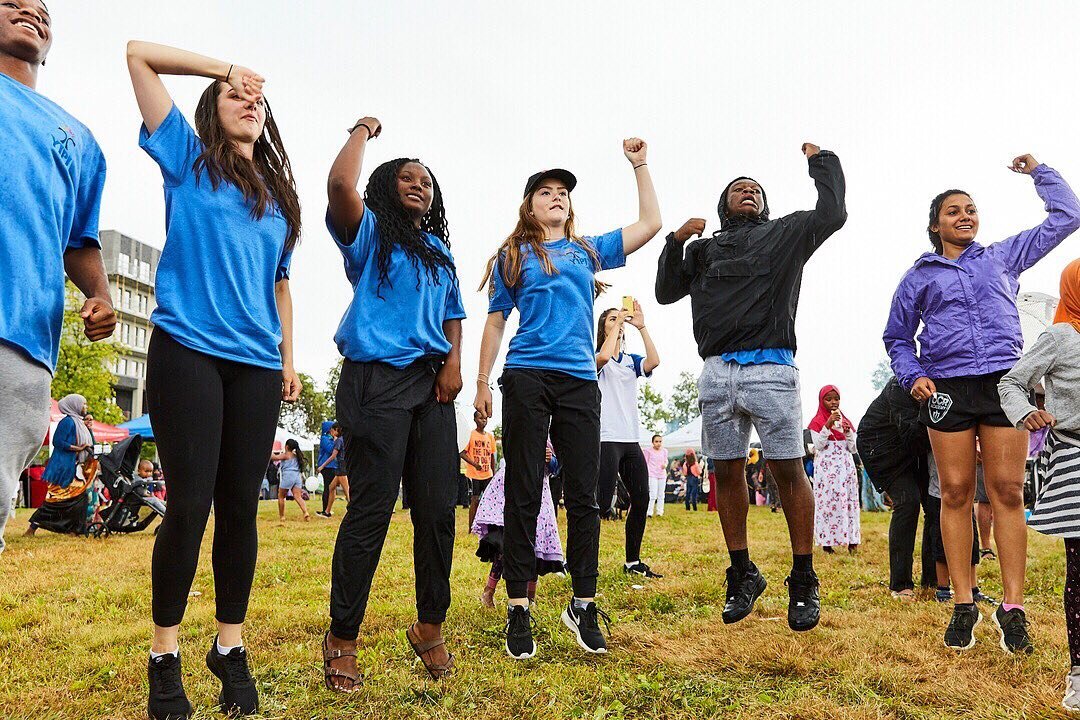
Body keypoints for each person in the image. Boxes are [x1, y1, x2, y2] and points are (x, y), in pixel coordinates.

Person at [127, 40, 302, 719]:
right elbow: (137, 56)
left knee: (240, 508)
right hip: (188, 348)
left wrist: (288, 359)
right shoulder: (186, 159)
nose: (249, 103)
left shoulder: (278, 201)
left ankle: (229, 647)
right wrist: (222, 69)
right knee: (192, 503)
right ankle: (163, 656)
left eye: (257, 100)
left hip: (256, 364)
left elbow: (280, 287)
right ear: (213, 107)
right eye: (238, 96)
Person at [474, 138, 661, 660]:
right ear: (529, 204)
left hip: (580, 379)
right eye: (546, 192)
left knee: (584, 496)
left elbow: (650, 224)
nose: (557, 198)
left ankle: (582, 603)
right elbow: (494, 323)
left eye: (563, 193)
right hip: (527, 375)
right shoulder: (515, 254)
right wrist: (484, 380)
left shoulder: (586, 250)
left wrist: (640, 165)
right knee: (525, 490)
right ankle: (518, 609)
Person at [884, 154, 1080, 653]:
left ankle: (1013, 609)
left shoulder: (1001, 257)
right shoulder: (918, 277)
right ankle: (963, 603)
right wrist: (914, 376)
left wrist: (1040, 171)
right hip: (947, 389)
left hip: (1001, 384)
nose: (966, 215)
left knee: (1007, 492)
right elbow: (898, 337)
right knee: (953, 492)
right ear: (935, 225)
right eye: (954, 211)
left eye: (971, 209)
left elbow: (1067, 217)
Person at [656, 142, 846, 632]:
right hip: (716, 370)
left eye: (756, 190)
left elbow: (833, 212)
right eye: (739, 189)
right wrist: (675, 241)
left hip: (771, 368)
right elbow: (665, 292)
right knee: (726, 472)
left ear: (765, 205)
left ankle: (803, 579)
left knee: (787, 471)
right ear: (724, 205)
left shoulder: (784, 235)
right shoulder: (703, 250)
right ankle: (741, 572)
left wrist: (820, 161)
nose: (749, 192)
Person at [322, 116, 465, 690]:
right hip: (375, 381)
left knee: (436, 512)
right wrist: (360, 130)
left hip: (431, 386)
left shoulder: (438, 249)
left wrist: (455, 363)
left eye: (427, 181)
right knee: (372, 512)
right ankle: (342, 636)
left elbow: (454, 314)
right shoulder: (371, 232)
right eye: (407, 177)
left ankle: (429, 625)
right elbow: (338, 188)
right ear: (387, 185)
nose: (419, 185)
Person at [0, 0, 116, 554]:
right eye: (11, 2)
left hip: (19, 339)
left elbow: (78, 239)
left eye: (40, 7)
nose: (29, 11)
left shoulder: (77, 138)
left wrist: (100, 291)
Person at [998, 258, 1080, 710]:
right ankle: (1078, 673)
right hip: (1074, 456)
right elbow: (1012, 382)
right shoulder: (1059, 337)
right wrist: (1025, 413)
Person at [595, 301, 662, 578]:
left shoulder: (631, 361)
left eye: (619, 318)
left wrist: (641, 326)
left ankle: (632, 562)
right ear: (604, 328)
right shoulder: (598, 357)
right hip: (606, 438)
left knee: (642, 497)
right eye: (612, 319)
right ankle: (583, 562)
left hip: (630, 439)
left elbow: (654, 361)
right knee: (598, 504)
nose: (618, 321)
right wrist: (617, 325)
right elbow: (602, 358)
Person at [857, 377, 936, 599]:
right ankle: (900, 584)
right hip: (882, 448)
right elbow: (913, 435)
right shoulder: (900, 386)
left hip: (916, 449)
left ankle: (932, 581)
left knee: (934, 503)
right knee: (908, 501)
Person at [475, 444, 564, 609]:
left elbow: (556, 468)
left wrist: (550, 459)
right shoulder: (521, 424)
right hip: (513, 488)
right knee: (505, 544)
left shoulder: (553, 435)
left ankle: (531, 597)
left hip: (539, 493)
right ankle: (489, 590)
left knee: (535, 545)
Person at [25, 395, 97, 537]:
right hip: (63, 467)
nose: (85, 408)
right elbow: (58, 442)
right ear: (74, 405)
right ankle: (33, 527)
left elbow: (90, 443)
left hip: (74, 467)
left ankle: (74, 530)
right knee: (57, 500)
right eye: (84, 404)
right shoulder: (68, 422)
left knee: (79, 499)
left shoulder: (80, 423)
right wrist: (78, 448)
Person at [808, 386, 860, 555]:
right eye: (828, 399)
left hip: (845, 467)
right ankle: (827, 542)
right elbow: (819, 445)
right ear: (821, 401)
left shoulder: (846, 421)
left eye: (836, 398)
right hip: (827, 468)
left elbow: (853, 448)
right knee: (828, 502)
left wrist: (847, 433)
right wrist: (827, 425)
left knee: (848, 500)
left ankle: (852, 541)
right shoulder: (816, 423)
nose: (833, 402)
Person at [461, 410, 497, 529]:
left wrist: (493, 473)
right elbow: (462, 453)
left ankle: (487, 526)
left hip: (487, 474)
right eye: (481, 418)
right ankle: (471, 527)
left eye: (485, 419)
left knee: (488, 501)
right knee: (475, 500)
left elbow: (492, 456)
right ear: (475, 419)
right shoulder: (471, 435)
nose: (484, 421)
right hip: (474, 474)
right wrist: (474, 464)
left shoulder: (490, 436)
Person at [272, 439, 310, 522]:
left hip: (288, 476)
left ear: (287, 447)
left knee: (281, 496)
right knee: (298, 496)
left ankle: (282, 516)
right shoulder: (297, 455)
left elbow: (274, 458)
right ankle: (305, 512)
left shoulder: (286, 455)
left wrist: (269, 451)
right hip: (297, 477)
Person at [315, 421, 339, 517]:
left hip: (334, 466)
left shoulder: (332, 439)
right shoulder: (324, 438)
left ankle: (328, 509)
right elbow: (330, 449)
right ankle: (325, 509)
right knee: (328, 488)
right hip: (327, 467)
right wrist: (336, 441)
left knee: (332, 489)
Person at [642, 435, 669, 517]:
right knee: (653, 494)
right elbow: (645, 463)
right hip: (652, 474)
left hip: (662, 474)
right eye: (656, 441)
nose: (658, 443)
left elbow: (666, 460)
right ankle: (649, 512)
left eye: (660, 441)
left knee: (661, 494)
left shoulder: (664, 451)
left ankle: (660, 512)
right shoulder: (648, 451)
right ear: (652, 442)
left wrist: (665, 465)